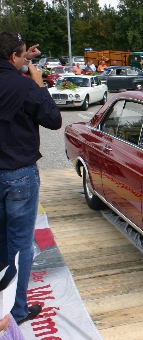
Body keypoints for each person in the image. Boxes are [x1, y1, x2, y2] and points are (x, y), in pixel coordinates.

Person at [0, 31, 62, 325]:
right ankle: (16, 310)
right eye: (22, 55)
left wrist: (26, 60)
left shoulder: (13, 73)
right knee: (20, 245)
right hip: (19, 175)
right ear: (14, 56)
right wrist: (39, 85)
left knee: (2, 241)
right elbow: (53, 119)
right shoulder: (25, 87)